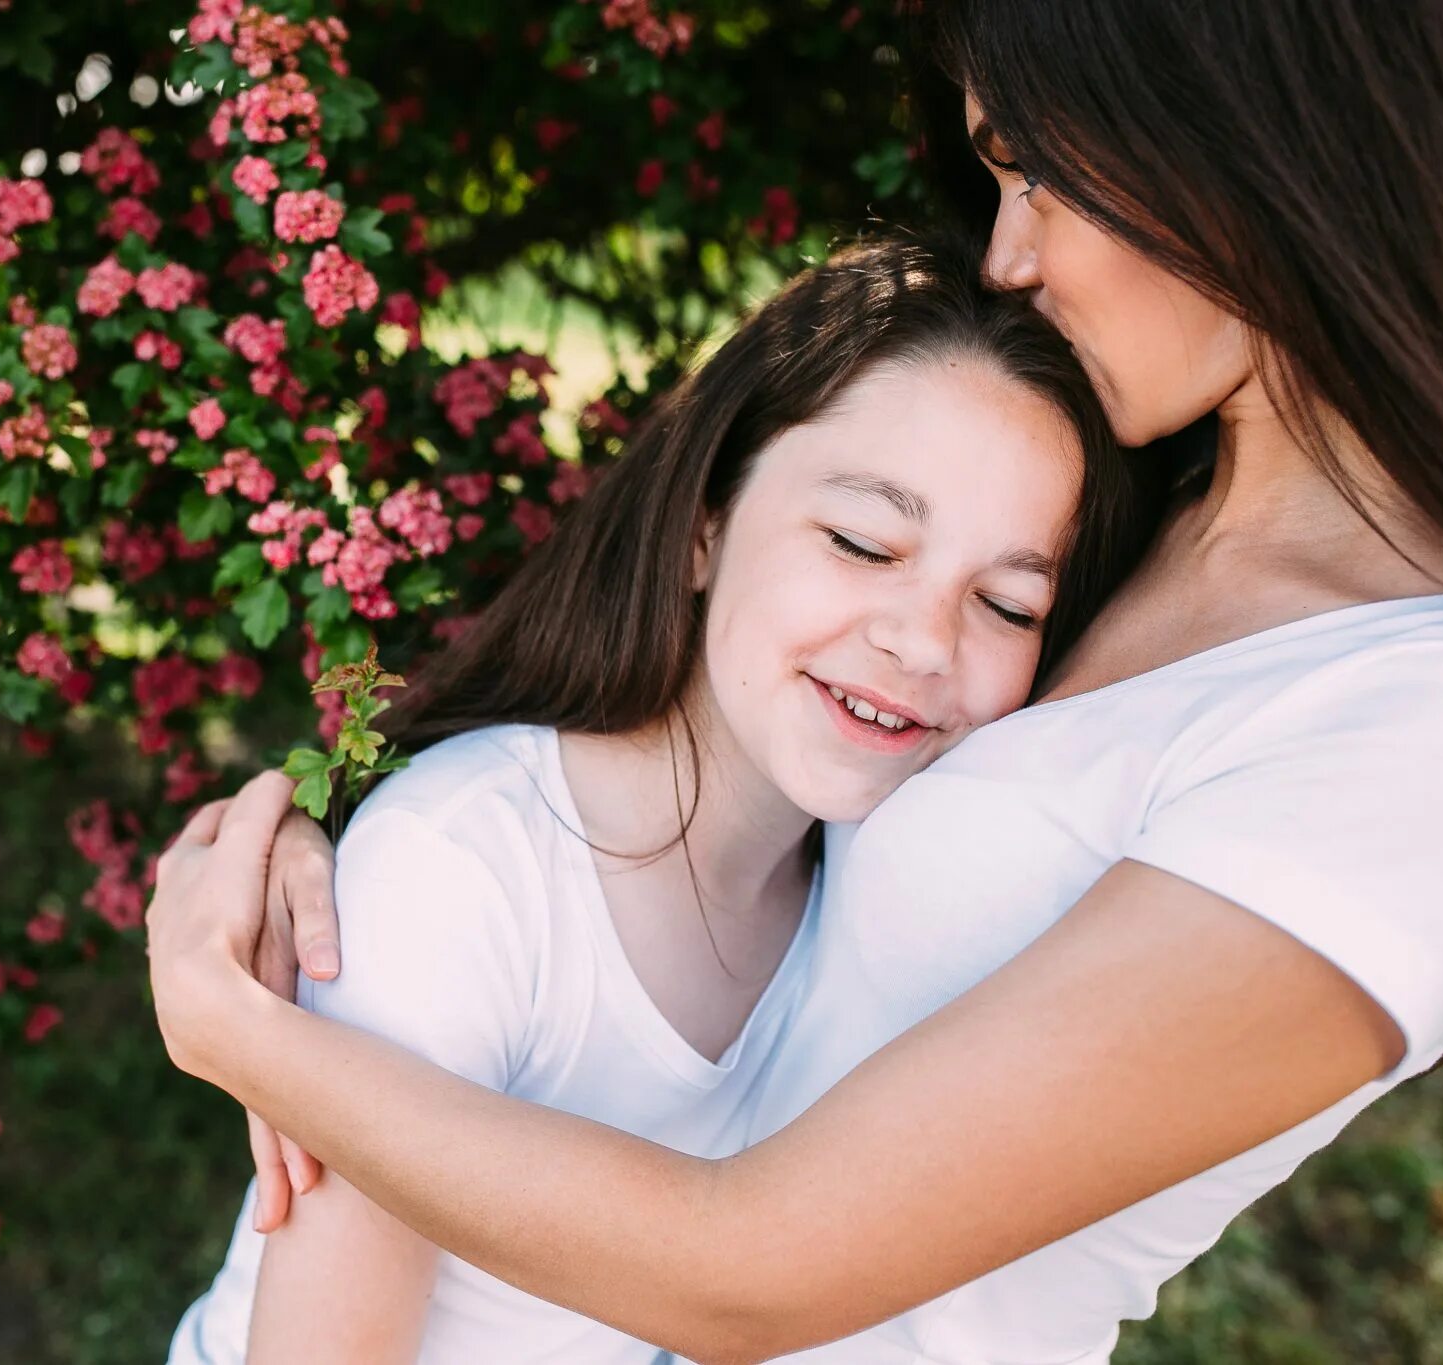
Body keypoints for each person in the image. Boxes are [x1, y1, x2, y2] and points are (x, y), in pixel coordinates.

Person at [147, 3, 1443, 1361]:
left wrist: (249, 1033)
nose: (1011, 256)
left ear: (1256, 144)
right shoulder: (1130, 514)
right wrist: (382, 900)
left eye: (1039, 171)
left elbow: (748, 1271)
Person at [166, 232, 1149, 1365]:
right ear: (704, 524)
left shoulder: (875, 887)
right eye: (861, 541)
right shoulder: (468, 867)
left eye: (1009, 605)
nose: (921, 641)